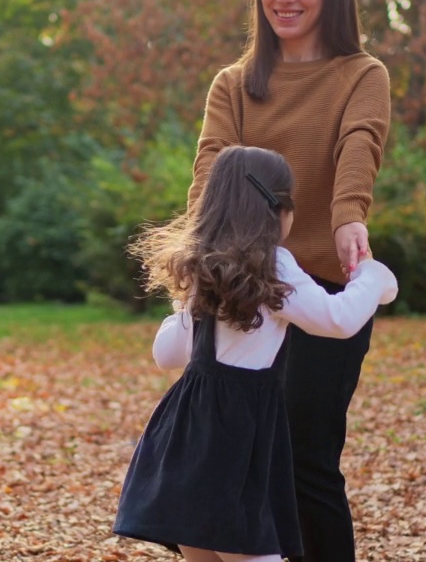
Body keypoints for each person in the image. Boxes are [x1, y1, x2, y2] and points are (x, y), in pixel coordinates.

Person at [185, 0, 392, 562]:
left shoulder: (362, 73)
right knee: (228, 456)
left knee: (305, 456)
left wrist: (348, 215)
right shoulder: (234, 83)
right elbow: (211, 168)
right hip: (242, 289)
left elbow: (360, 143)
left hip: (324, 285)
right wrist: (195, 262)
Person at [113, 145, 397, 562]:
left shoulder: (202, 267)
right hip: (240, 438)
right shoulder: (275, 266)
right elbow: (337, 320)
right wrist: (374, 278)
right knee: (252, 551)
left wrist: (183, 308)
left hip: (188, 434)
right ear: (277, 210)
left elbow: (167, 354)